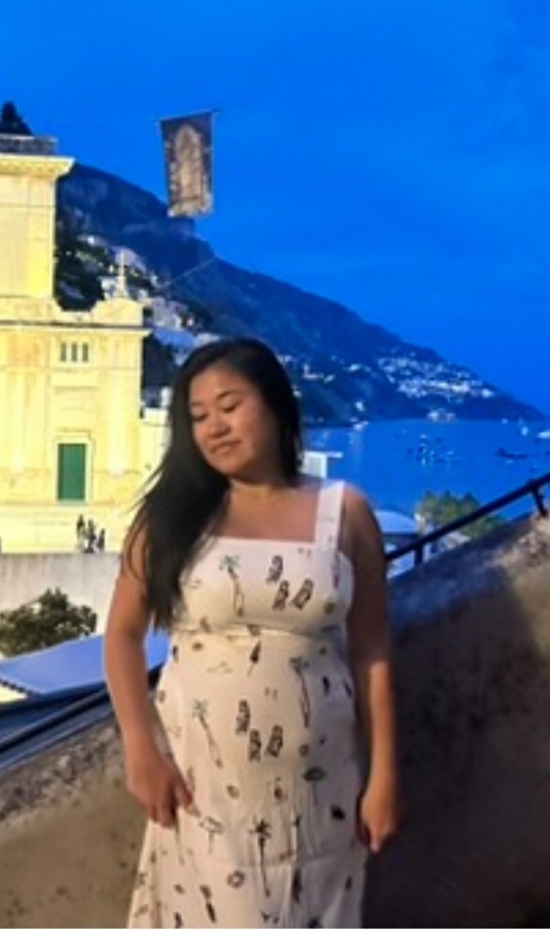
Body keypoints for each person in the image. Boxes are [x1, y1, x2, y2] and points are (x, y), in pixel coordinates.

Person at [103, 338, 399, 929]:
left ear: (275, 405)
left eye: (229, 405)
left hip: (322, 794)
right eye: (198, 416)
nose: (214, 426)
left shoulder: (346, 512)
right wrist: (141, 748)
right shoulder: (170, 520)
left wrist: (385, 775)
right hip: (202, 787)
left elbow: (372, 653)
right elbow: (121, 638)